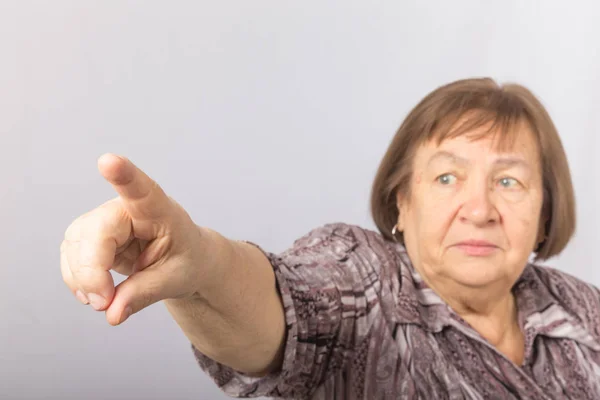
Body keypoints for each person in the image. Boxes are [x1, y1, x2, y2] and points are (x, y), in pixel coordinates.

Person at [60, 77, 600, 399]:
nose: (480, 209)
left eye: (509, 181)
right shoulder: (366, 277)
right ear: (401, 204)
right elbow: (292, 306)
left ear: (545, 212)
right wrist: (199, 262)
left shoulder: (583, 309)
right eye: (446, 177)